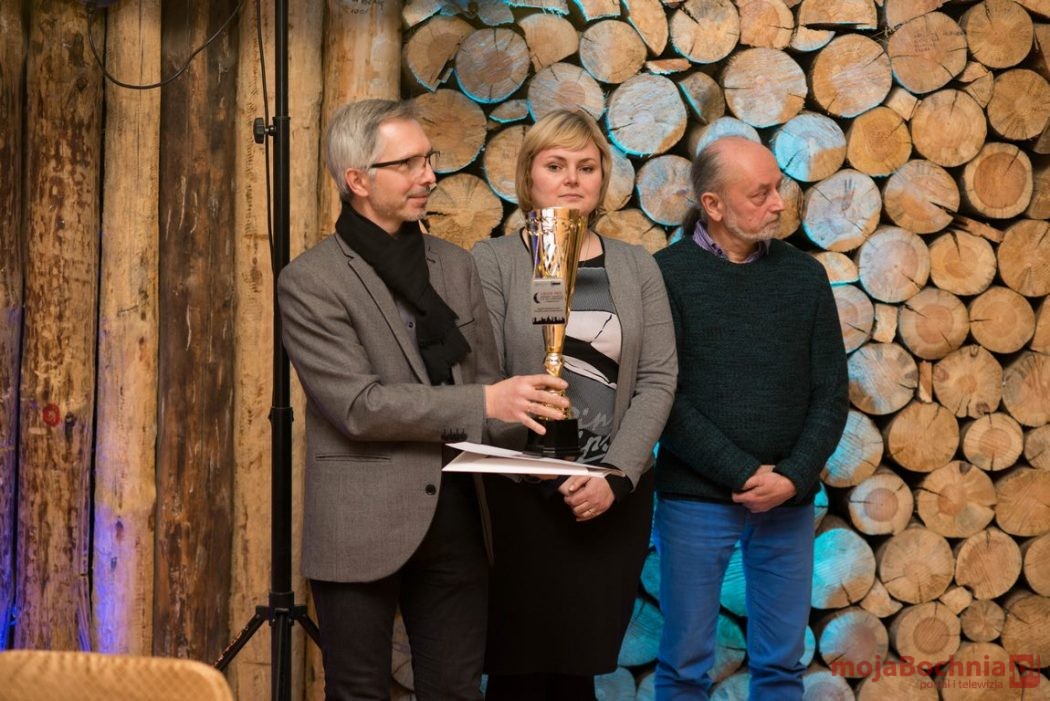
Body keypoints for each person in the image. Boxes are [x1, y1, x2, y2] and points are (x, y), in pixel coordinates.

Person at [277, 99, 570, 701]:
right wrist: (486, 402)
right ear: (358, 180)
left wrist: (542, 437)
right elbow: (359, 407)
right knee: (358, 692)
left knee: (456, 691)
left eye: (428, 159)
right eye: (408, 163)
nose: (429, 175)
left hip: (458, 516)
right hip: (359, 522)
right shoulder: (310, 281)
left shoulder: (455, 266)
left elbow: (484, 380)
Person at [472, 110, 677, 701]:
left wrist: (615, 475)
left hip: (606, 499)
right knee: (516, 672)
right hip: (518, 497)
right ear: (528, 176)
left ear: (602, 179)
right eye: (555, 165)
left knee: (577, 670)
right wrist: (532, 462)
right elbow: (480, 375)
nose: (571, 179)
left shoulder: (636, 265)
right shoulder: (493, 260)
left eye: (586, 167)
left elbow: (658, 378)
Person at [652, 136, 849, 700]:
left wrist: (793, 476)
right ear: (713, 205)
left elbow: (831, 392)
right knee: (685, 665)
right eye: (760, 193)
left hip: (787, 500)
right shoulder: (665, 276)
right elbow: (663, 395)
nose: (778, 203)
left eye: (777, 188)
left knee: (782, 665)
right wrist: (740, 471)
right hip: (694, 499)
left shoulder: (804, 277)